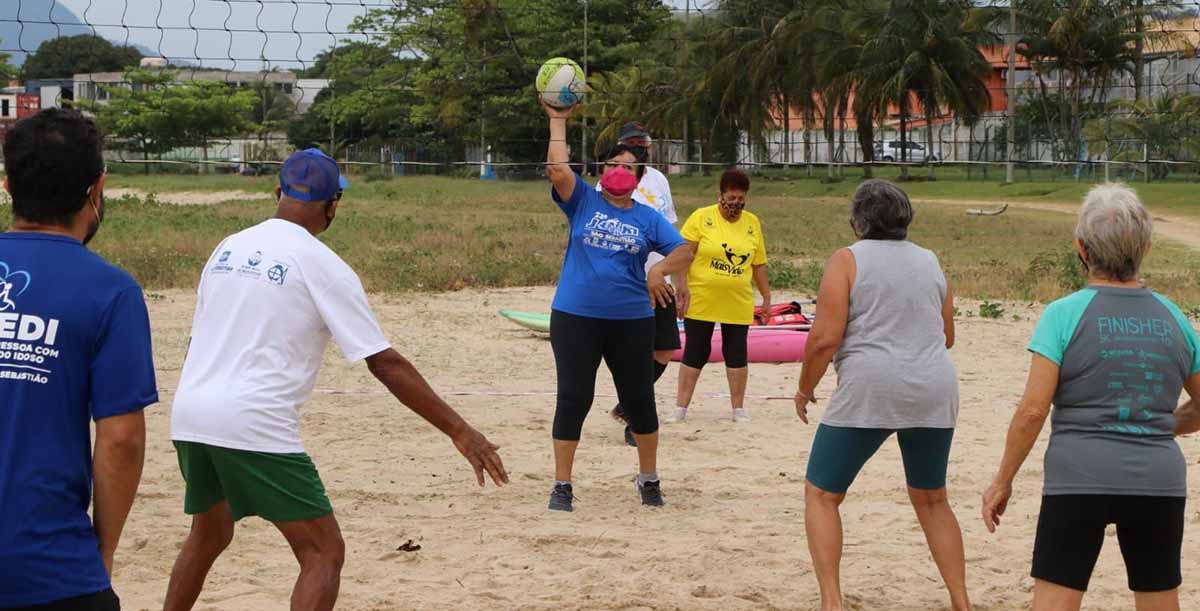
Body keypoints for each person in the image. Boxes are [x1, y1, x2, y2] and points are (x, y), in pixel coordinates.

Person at [164, 148, 508, 611]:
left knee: (208, 533)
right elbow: (384, 363)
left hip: (189, 412)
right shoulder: (323, 264)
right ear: (333, 204)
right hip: (252, 421)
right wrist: (461, 432)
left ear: (278, 192)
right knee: (323, 551)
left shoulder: (228, 247)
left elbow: (197, 339)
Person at [982, 183, 1200, 611]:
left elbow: (1032, 410)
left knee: (1057, 599)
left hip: (1077, 476)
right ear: (1147, 247)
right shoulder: (1175, 318)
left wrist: (1002, 480)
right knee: (1158, 598)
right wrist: (1161, 423)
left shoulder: (1062, 315)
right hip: (1157, 480)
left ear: (1082, 248)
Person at [0, 109, 158, 610]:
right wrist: (103, 551)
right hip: (49, 566)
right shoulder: (110, 292)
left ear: (8, 185)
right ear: (98, 187)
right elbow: (121, 439)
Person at [795, 179, 970, 611]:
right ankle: (962, 602)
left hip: (870, 385)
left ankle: (832, 601)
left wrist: (805, 388)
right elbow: (947, 335)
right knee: (932, 499)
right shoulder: (930, 261)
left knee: (823, 494)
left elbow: (823, 339)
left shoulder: (847, 260)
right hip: (934, 384)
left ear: (857, 222)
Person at [542, 100, 692, 512]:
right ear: (601, 170)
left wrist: (658, 272)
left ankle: (648, 478)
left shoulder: (647, 218)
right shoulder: (583, 201)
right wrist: (557, 120)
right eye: (612, 164)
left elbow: (685, 250)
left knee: (639, 399)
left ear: (640, 176)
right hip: (575, 317)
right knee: (574, 398)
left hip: (630, 320)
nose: (618, 171)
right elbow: (558, 168)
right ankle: (562, 485)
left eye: (628, 167)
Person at [669, 168, 770, 423]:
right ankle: (680, 408)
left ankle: (738, 408)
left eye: (740, 198)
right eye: (731, 197)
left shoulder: (752, 223)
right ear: (720, 195)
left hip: (737, 300)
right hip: (701, 298)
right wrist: (680, 287)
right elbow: (683, 256)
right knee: (696, 350)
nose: (735, 203)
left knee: (736, 351)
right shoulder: (702, 218)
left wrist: (766, 297)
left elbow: (758, 264)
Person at [605, 122, 681, 447]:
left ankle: (627, 405)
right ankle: (635, 420)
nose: (639, 148)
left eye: (643, 143)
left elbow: (674, 233)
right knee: (633, 355)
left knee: (665, 348)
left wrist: (680, 279)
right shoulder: (610, 181)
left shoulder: (659, 180)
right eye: (632, 143)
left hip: (660, 279)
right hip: (629, 284)